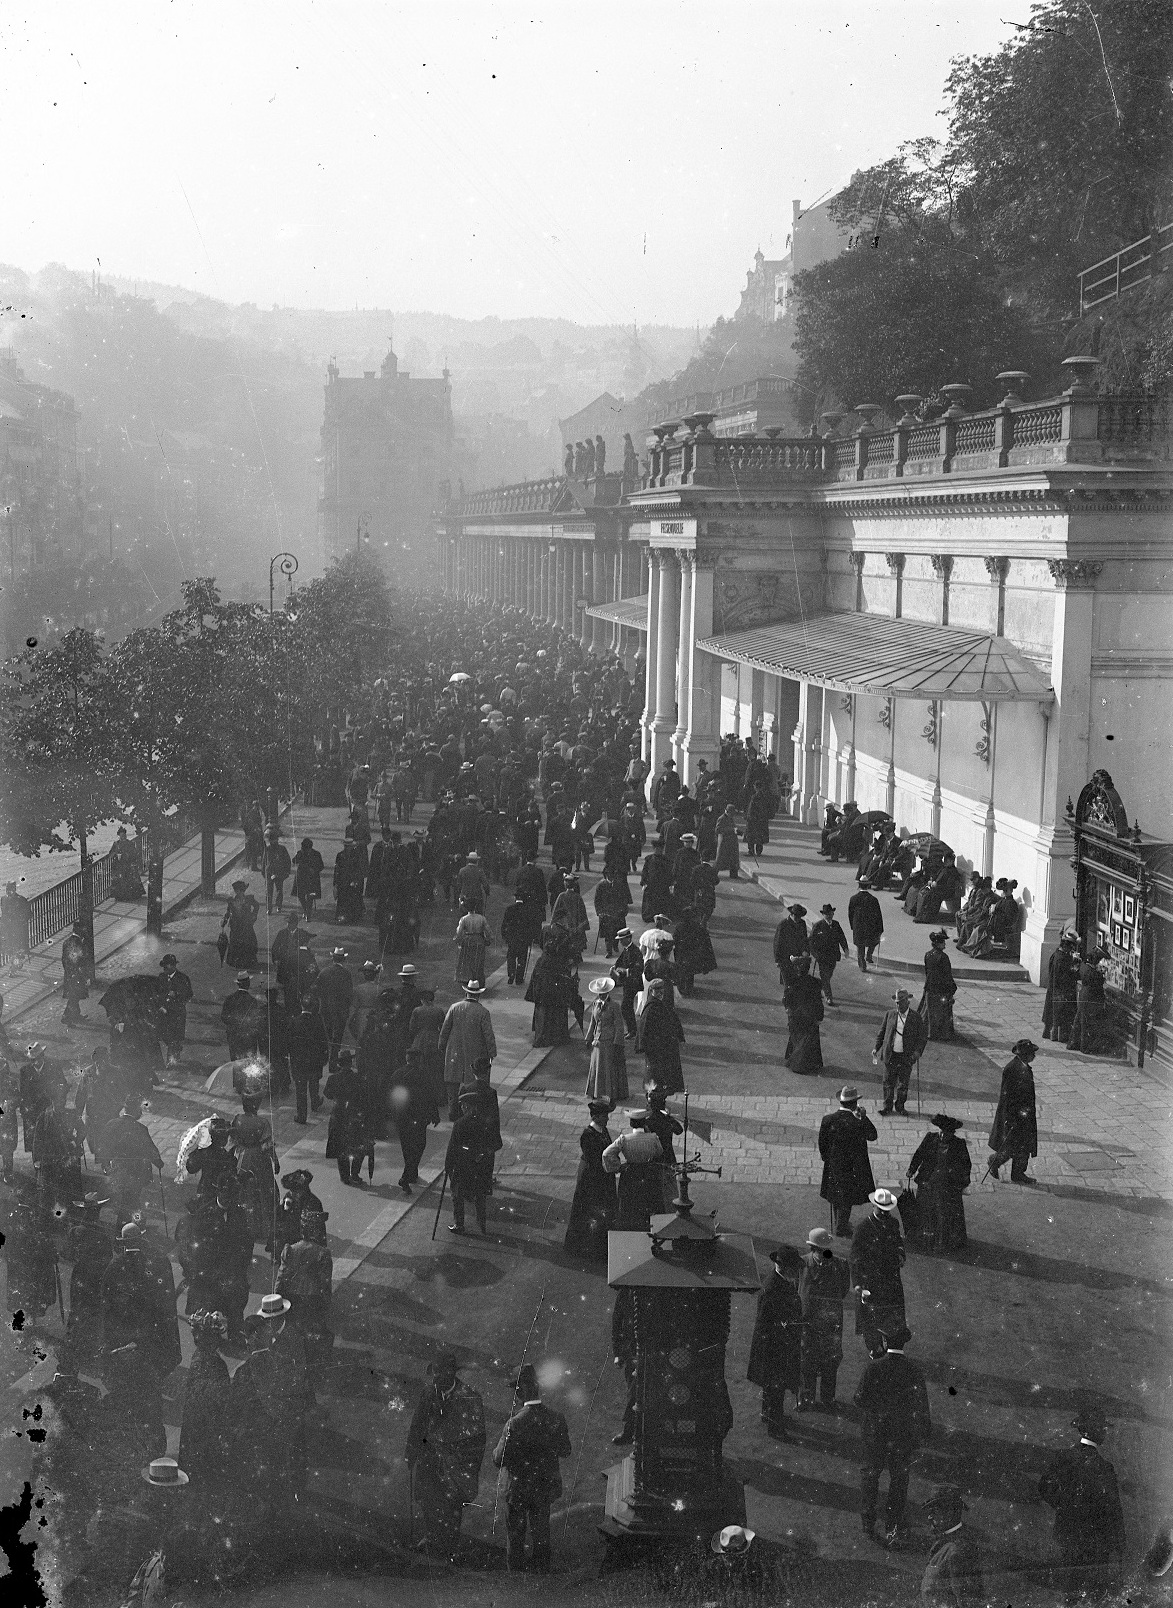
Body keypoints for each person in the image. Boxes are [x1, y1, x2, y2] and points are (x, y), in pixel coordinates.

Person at [853, 1322, 931, 1548]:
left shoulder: (874, 1368)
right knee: (899, 1479)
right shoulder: (914, 1370)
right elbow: (922, 1405)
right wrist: (922, 1432)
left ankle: (868, 1522)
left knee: (870, 1475)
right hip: (902, 1436)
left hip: (875, 1434)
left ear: (885, 1342)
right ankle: (893, 1524)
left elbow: (860, 1399)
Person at [405, 1351, 486, 1561]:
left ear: (451, 1372)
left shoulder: (470, 1397)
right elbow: (417, 1425)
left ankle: (449, 1547)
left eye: (440, 1373)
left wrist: (468, 1466)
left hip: (456, 1464)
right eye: (434, 1373)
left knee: (452, 1506)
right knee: (429, 1501)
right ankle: (432, 1540)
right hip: (430, 1460)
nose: (435, 1377)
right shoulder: (428, 1393)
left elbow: (477, 1438)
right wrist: (411, 1453)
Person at [492, 1362, 572, 1574]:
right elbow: (565, 1450)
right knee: (541, 1532)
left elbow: (498, 1459)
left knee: (515, 1536)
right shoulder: (556, 1418)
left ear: (519, 1391)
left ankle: (516, 1577)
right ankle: (542, 1573)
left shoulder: (514, 1424)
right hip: (543, 1487)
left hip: (516, 1489)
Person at [1039, 1406, 1126, 1597]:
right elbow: (1113, 1510)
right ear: (1092, 1429)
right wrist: (1119, 1544)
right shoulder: (1104, 1468)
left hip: (1068, 1536)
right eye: (1102, 1428)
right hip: (1096, 1541)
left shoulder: (1064, 1457)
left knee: (1072, 1590)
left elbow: (1045, 1488)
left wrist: (1066, 1507)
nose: (1105, 1432)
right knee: (1094, 1593)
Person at [747, 1245, 804, 1440]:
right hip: (774, 1347)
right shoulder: (772, 1288)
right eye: (794, 1268)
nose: (797, 1271)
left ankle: (768, 1415)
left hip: (774, 1345)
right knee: (776, 1389)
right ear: (784, 1267)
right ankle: (775, 1428)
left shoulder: (779, 1282)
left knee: (771, 1387)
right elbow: (766, 1323)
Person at [178, 1310, 232, 1496]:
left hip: (195, 1415)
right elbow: (221, 1394)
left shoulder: (197, 1357)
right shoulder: (216, 1363)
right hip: (208, 1418)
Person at [798, 1226, 851, 1412]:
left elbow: (844, 1290)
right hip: (808, 1321)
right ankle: (806, 1398)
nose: (821, 1254)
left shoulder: (841, 1265)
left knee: (831, 1360)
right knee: (807, 1360)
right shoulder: (801, 1264)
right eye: (818, 1250)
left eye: (824, 1250)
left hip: (831, 1321)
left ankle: (828, 1399)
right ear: (812, 1249)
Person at [276, 1208, 334, 1369]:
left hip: (292, 1301)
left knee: (295, 1335)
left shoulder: (290, 1250)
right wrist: (326, 1304)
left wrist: (278, 1297)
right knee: (314, 1335)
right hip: (313, 1301)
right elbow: (325, 1284)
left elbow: (281, 1278)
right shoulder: (323, 1254)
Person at [850, 1189, 907, 1353]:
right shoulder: (863, 1228)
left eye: (886, 1209)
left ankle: (892, 1345)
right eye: (880, 1208)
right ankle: (874, 1347)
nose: (883, 1212)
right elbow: (855, 1257)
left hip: (891, 1278)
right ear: (874, 1206)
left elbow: (898, 1243)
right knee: (871, 1316)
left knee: (892, 1313)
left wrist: (901, 1255)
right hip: (871, 1280)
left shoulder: (893, 1223)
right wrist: (857, 1283)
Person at [818, 1085, 877, 1238]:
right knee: (847, 1197)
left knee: (836, 1194)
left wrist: (827, 1158)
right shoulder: (857, 1123)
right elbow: (872, 1135)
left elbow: (822, 1143)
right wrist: (864, 1117)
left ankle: (839, 1222)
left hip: (833, 1164)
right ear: (854, 1104)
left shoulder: (828, 1119)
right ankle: (841, 1227)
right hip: (852, 1167)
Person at [908, 1114, 971, 1253]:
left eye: (946, 1134)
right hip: (928, 1181)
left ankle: (942, 1242)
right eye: (942, 1132)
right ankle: (924, 1239)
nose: (943, 1136)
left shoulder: (959, 1145)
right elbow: (919, 1154)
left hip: (946, 1185)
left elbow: (966, 1165)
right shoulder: (930, 1138)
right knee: (925, 1210)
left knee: (943, 1214)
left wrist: (962, 1183)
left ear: (952, 1134)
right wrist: (911, 1170)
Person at [563, 1099, 616, 1261]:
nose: (607, 1118)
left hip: (603, 1176)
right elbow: (594, 1160)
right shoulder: (588, 1135)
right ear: (596, 1117)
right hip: (592, 1179)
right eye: (604, 1115)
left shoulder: (603, 1130)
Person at [439, 980, 497, 1121]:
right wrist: (492, 1052)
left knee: (453, 1083)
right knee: (472, 1083)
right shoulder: (483, 1012)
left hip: (454, 1052)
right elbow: (488, 1035)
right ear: (478, 996)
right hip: (474, 1052)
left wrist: (441, 1046)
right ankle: (471, 1111)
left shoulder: (454, 1007)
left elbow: (444, 1030)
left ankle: (453, 1111)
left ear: (466, 992)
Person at [920, 1484, 985, 1607]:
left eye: (935, 1511)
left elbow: (967, 1603)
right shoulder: (945, 1541)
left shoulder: (958, 1551)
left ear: (950, 1512)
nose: (930, 1516)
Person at [988, 1038, 1039, 1183]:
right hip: (1014, 1116)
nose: (1034, 1056)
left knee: (1023, 1146)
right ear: (1024, 1055)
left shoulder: (1024, 1067)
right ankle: (994, 1161)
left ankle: (1018, 1174)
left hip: (1024, 1114)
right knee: (1012, 1146)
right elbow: (1007, 1097)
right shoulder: (1012, 1069)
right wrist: (1011, 1119)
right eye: (1031, 1053)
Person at [391, 1045, 439, 1195]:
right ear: (418, 1059)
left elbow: (391, 1096)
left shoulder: (397, 1074)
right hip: (419, 1117)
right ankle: (407, 1176)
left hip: (402, 1117)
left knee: (407, 1146)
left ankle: (411, 1173)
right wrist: (435, 1115)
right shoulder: (424, 1074)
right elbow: (431, 1096)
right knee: (419, 1145)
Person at [872, 988, 928, 1116]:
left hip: (906, 1056)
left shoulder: (916, 1017)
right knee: (887, 1082)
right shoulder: (889, 1014)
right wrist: (876, 1047)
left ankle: (900, 1106)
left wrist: (917, 1052)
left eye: (901, 1002)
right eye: (897, 1002)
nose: (898, 1005)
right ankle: (887, 1107)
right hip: (890, 1055)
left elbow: (922, 1038)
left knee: (903, 1084)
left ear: (908, 1002)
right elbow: (882, 1033)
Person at [445, 1087, 493, 1234]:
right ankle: (481, 1223)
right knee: (480, 1194)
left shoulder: (460, 1124)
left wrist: (448, 1166)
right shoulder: (485, 1122)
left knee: (457, 1194)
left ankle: (459, 1224)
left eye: (463, 1105)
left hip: (463, 1164)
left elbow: (452, 1147)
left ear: (467, 1106)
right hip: (480, 1164)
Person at [325, 1048, 371, 1186]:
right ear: (350, 1063)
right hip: (354, 1116)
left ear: (339, 1064)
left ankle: (345, 1176)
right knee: (359, 1146)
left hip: (338, 1115)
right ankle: (355, 1173)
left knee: (341, 1148)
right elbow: (365, 1097)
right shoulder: (358, 1078)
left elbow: (327, 1094)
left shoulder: (333, 1078)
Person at [636, 976, 685, 1095]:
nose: (660, 993)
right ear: (651, 991)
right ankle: (654, 1100)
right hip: (656, 1049)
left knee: (660, 1075)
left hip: (662, 1047)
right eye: (657, 991)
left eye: (661, 990)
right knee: (654, 1076)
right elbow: (644, 1029)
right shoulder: (651, 1007)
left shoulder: (659, 1004)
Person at [584, 976, 628, 1106]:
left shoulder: (614, 1006)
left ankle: (609, 1094)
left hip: (609, 1041)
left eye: (603, 994)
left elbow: (619, 1025)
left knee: (608, 1068)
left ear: (607, 993)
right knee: (597, 1068)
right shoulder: (595, 1004)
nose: (601, 996)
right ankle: (596, 1092)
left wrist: (617, 1042)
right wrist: (588, 1038)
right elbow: (593, 1022)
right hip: (597, 1041)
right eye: (599, 994)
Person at [287, 999, 329, 1124]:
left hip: (299, 1061)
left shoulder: (294, 1021)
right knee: (314, 1082)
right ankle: (315, 1102)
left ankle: (302, 1115)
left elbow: (289, 1042)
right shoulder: (318, 1021)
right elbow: (323, 1041)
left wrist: (291, 1056)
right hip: (314, 1060)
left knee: (300, 1089)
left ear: (301, 1006)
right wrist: (324, 1057)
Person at [783, 955, 825, 1075]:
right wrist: (819, 1017)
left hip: (796, 1017)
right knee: (811, 1041)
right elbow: (818, 1002)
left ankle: (793, 1060)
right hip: (810, 1017)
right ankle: (810, 1064)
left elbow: (787, 999)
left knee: (796, 1039)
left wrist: (788, 1010)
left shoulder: (792, 982)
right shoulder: (815, 983)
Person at [315, 947, 354, 1065]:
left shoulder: (324, 972)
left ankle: (327, 1058)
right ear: (343, 960)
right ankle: (333, 1060)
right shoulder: (346, 974)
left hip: (326, 1009)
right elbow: (349, 993)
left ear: (332, 958)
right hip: (340, 1010)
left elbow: (317, 990)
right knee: (337, 1037)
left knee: (328, 1034)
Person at [1068, 949, 1110, 1055]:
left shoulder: (1084, 966)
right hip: (1090, 999)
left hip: (1083, 996)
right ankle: (1085, 1047)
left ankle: (1073, 1043)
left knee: (1079, 1020)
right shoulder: (1093, 973)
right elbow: (1098, 983)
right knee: (1087, 1023)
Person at [919, 930, 957, 1042]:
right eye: (943, 942)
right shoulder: (944, 957)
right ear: (938, 944)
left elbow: (927, 972)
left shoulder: (928, 955)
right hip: (941, 989)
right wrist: (952, 988)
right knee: (942, 1012)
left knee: (929, 1011)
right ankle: (942, 1033)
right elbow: (947, 975)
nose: (945, 944)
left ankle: (928, 1031)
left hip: (930, 987)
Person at [1043, 931, 1081, 1043]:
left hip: (1054, 989)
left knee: (1054, 1013)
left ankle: (1051, 1033)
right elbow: (1065, 977)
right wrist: (1075, 970)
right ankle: (1059, 1036)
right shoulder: (1062, 959)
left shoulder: (1057, 954)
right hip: (1061, 991)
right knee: (1060, 1015)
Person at [157, 955, 193, 1068]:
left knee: (174, 1037)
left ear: (172, 966)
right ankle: (175, 1052)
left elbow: (189, 994)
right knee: (166, 1036)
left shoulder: (183, 978)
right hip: (164, 1013)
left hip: (177, 1013)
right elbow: (157, 993)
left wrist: (176, 994)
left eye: (166, 966)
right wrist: (161, 1005)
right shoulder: (161, 977)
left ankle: (171, 1061)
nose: (164, 969)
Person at [809, 903, 849, 1005]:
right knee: (825, 976)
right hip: (822, 957)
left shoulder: (836, 924)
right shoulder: (818, 926)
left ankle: (822, 988)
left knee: (829, 974)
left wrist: (845, 949)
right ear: (823, 915)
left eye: (830, 913)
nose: (829, 915)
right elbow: (811, 941)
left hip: (833, 956)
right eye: (826, 914)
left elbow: (842, 937)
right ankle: (828, 997)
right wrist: (815, 954)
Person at [501, 890, 540, 986]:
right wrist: (533, 937)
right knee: (522, 958)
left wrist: (505, 936)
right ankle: (519, 978)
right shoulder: (528, 910)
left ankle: (511, 973)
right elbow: (532, 926)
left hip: (512, 938)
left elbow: (504, 924)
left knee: (511, 956)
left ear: (515, 898)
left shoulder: (509, 909)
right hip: (524, 938)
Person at [221, 972, 262, 1062]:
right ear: (248, 984)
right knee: (248, 1064)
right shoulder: (252, 1001)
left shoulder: (229, 999)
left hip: (234, 1036)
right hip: (248, 1038)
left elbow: (224, 1017)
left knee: (235, 1063)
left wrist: (234, 1023)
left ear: (238, 984)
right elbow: (256, 1020)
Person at [221, 880, 260, 969]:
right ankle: (237, 962)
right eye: (236, 890)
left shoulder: (249, 899)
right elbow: (228, 912)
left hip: (246, 925)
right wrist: (225, 920)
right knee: (235, 942)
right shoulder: (231, 901)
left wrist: (253, 915)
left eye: (239, 890)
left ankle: (249, 961)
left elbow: (257, 906)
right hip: (235, 926)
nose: (237, 892)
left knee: (248, 942)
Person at [848, 879, 884, 971]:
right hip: (870, 926)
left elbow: (850, 914)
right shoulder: (873, 899)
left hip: (858, 926)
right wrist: (880, 929)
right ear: (868, 886)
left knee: (860, 946)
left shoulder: (853, 898)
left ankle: (862, 964)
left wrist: (852, 926)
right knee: (873, 941)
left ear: (859, 886)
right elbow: (878, 915)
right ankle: (869, 955)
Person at [454, 906, 491, 988]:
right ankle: (479, 980)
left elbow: (459, 932)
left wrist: (457, 940)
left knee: (468, 962)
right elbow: (487, 930)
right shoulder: (481, 918)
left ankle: (469, 979)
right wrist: (488, 939)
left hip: (468, 941)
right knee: (479, 962)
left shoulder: (464, 919)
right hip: (479, 941)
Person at [61, 921, 90, 1025]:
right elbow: (78, 961)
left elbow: (64, 960)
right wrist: (82, 974)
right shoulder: (77, 943)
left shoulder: (67, 942)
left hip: (69, 975)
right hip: (76, 976)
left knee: (74, 997)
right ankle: (68, 1018)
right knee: (74, 998)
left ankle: (75, 1016)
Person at [292, 837, 325, 923]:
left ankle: (308, 914)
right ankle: (305, 909)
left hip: (312, 879)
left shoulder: (316, 854)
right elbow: (294, 861)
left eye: (306, 849)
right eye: (303, 848)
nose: (305, 851)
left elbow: (321, 866)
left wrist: (314, 870)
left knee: (310, 896)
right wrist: (299, 854)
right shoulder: (300, 853)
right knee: (300, 896)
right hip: (301, 878)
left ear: (310, 848)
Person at [109, 825, 145, 901]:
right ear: (119, 836)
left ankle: (131, 896)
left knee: (129, 879)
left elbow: (134, 853)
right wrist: (116, 854)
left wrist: (128, 855)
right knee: (120, 880)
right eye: (121, 835)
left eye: (124, 835)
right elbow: (111, 854)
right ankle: (120, 896)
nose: (123, 837)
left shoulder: (130, 843)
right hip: (119, 864)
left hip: (128, 864)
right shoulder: (116, 844)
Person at [262, 827, 292, 915]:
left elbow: (287, 861)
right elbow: (264, 861)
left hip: (279, 873)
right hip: (269, 873)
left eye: (275, 840)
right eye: (272, 840)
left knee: (279, 890)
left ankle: (279, 905)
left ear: (277, 840)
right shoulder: (267, 849)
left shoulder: (282, 849)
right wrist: (264, 872)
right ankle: (269, 908)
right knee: (268, 891)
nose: (273, 841)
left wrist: (286, 872)